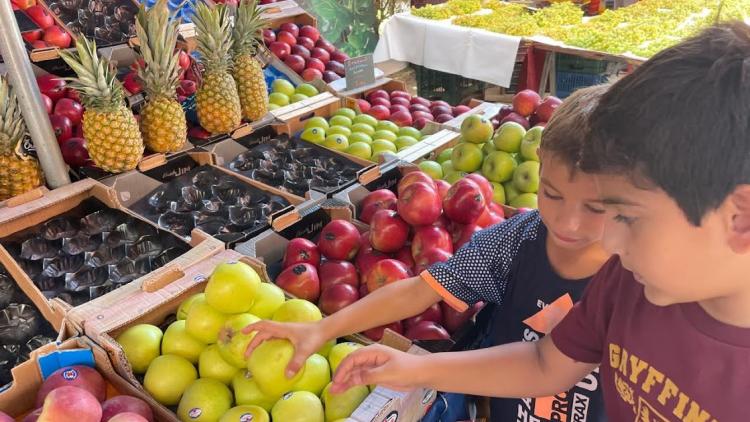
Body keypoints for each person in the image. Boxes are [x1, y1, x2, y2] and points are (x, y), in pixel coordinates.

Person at [328, 22, 750, 422]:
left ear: (740, 218)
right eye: (551, 194)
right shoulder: (625, 284)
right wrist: (416, 368)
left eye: (627, 216)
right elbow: (546, 362)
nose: (612, 242)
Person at [245, 85, 613, 421]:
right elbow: (422, 289)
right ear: (540, 162)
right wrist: (322, 329)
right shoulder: (516, 240)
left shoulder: (637, 278)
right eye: (551, 194)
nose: (568, 223)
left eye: (595, 208)